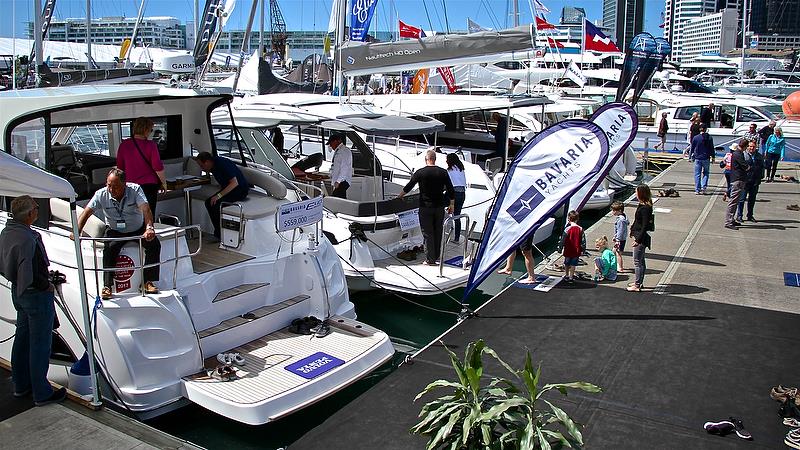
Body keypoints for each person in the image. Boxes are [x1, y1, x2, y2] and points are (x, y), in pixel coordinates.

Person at [0, 196, 67, 406]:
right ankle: (41, 393)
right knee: (40, 345)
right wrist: (46, 285)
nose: (38, 211)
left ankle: (20, 386)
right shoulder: (28, 239)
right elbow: (32, 272)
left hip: (18, 293)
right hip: (35, 296)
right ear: (29, 214)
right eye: (36, 208)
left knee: (22, 339)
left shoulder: (7, 232)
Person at [75, 169, 161, 299]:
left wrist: (149, 228)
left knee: (154, 245)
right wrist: (77, 231)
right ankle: (107, 286)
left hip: (137, 228)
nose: (111, 189)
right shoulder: (100, 194)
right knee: (109, 249)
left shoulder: (135, 190)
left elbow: (146, 209)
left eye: (115, 187)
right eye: (108, 185)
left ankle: (147, 282)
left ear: (124, 185)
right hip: (115, 230)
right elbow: (86, 213)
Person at [397, 150, 455, 265]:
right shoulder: (443, 172)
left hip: (425, 207)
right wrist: (452, 204)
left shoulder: (420, 173)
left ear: (426, 159)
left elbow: (409, 185)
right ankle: (437, 256)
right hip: (439, 207)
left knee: (428, 233)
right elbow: (450, 189)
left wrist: (400, 196)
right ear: (435, 159)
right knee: (438, 231)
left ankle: (430, 259)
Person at [116, 117, 167, 215]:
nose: (151, 132)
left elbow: (120, 168)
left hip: (130, 187)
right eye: (151, 130)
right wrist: (164, 183)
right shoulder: (151, 145)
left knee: (134, 215)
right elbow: (157, 167)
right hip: (149, 186)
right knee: (148, 214)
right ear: (146, 130)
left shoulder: (124, 145)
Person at [195, 152, 250, 240]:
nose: (202, 168)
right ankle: (218, 232)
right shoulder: (213, 167)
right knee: (209, 202)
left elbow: (234, 183)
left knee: (216, 204)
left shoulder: (222, 164)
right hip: (231, 189)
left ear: (208, 162)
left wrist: (219, 195)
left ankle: (219, 235)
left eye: (202, 166)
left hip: (240, 190)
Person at [628, 184, 654, 292]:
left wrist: (637, 240)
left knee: (637, 262)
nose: (635, 194)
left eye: (636, 192)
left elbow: (644, 225)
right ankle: (639, 282)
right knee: (641, 261)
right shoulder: (643, 205)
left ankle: (637, 284)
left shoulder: (645, 208)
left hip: (640, 237)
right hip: (638, 234)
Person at [737, 140, 764, 223]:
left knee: (752, 200)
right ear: (747, 147)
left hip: (755, 181)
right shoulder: (744, 155)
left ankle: (750, 215)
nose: (751, 148)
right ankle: (739, 215)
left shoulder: (759, 156)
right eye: (750, 146)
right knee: (741, 199)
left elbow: (762, 167)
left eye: (753, 146)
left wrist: (761, 177)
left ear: (756, 147)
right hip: (745, 181)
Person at [725, 139, 749, 230]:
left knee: (735, 200)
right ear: (745, 146)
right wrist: (748, 167)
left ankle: (731, 219)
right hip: (737, 179)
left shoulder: (737, 153)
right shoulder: (738, 154)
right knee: (733, 201)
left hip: (737, 179)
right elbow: (745, 166)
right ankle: (728, 221)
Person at [558, 210, 585, 283]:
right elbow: (583, 241)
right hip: (576, 250)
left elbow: (562, 240)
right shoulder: (580, 229)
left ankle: (566, 275)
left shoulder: (567, 229)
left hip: (568, 249)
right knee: (573, 264)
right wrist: (583, 250)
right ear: (577, 219)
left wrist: (560, 249)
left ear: (568, 219)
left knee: (567, 263)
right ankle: (571, 277)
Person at [446, 153, 467, 243]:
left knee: (438, 205)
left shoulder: (449, 170)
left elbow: (447, 184)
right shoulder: (461, 169)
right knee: (457, 216)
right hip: (462, 194)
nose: (446, 161)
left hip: (453, 194)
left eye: (447, 159)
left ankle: (442, 227)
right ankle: (456, 238)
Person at [327, 134, 353, 199]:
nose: (330, 146)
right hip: (339, 181)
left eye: (331, 143)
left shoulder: (345, 151)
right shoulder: (338, 151)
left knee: (335, 200)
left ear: (335, 141)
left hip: (343, 181)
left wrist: (338, 181)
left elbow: (345, 167)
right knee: (341, 200)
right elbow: (336, 166)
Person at [690, 125, 714, 194]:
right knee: (706, 173)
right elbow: (711, 148)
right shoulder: (709, 137)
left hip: (698, 157)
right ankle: (704, 187)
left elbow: (692, 148)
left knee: (697, 174)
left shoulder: (696, 138)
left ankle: (697, 189)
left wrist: (691, 156)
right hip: (706, 157)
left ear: (700, 129)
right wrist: (713, 157)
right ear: (706, 129)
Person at [610, 201, 629, 274]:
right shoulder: (623, 217)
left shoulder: (621, 220)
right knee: (614, 252)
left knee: (618, 253)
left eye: (614, 210)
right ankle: (615, 265)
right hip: (621, 239)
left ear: (619, 211)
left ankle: (620, 267)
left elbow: (620, 231)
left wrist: (617, 238)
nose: (612, 212)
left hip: (620, 240)